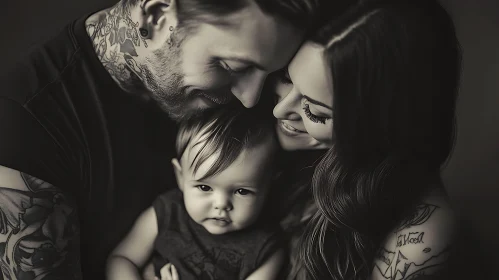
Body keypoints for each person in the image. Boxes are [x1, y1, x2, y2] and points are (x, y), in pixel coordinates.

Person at [0, 0, 356, 278]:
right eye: (234, 68)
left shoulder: (256, 70)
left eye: (273, 73)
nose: (251, 100)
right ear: (155, 18)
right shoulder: (26, 128)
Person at [270, 0, 462, 279]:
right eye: (287, 77)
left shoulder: (419, 237)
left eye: (314, 110)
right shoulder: (257, 123)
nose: (279, 110)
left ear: (378, 126)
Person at [107, 106, 283, 280]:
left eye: (242, 191)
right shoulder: (167, 213)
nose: (221, 204)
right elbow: (122, 260)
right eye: (205, 187)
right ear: (181, 177)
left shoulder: (266, 249)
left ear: (269, 187)